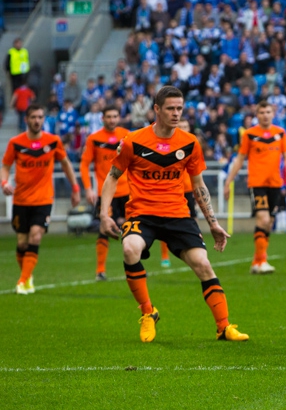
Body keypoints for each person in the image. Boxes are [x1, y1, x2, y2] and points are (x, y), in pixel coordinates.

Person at [98, 86, 249, 343]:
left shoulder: (190, 143)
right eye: (170, 108)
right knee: (130, 248)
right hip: (142, 214)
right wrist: (104, 214)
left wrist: (213, 223)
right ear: (156, 109)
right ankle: (148, 313)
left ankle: (224, 327)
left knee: (203, 264)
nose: (176, 113)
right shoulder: (133, 141)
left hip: (178, 215)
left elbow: (199, 186)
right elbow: (112, 177)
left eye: (179, 108)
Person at [2, 105, 81, 294]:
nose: (37, 120)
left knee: (36, 235)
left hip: (44, 199)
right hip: (21, 199)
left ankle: (22, 281)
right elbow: (5, 165)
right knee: (22, 243)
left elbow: (66, 164)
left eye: (40, 117)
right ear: (26, 119)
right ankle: (27, 276)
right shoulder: (16, 142)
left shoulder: (53, 141)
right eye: (33, 117)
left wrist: (75, 188)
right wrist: (4, 182)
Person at [224, 101, 286, 274]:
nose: (265, 115)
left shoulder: (280, 133)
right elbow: (239, 159)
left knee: (269, 222)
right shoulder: (249, 134)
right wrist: (228, 182)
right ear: (257, 115)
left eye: (268, 112)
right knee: (262, 220)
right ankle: (262, 261)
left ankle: (256, 262)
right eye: (262, 112)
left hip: (275, 183)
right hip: (257, 183)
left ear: (273, 114)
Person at [80, 106, 131, 281]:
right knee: (104, 230)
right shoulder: (93, 139)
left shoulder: (126, 135)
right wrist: (88, 188)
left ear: (119, 117)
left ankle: (134, 267)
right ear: (102, 118)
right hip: (106, 193)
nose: (112, 119)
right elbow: (84, 164)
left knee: (133, 230)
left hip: (127, 191)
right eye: (109, 116)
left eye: (115, 116)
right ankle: (100, 270)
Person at [160, 119, 199, 268]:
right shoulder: (169, 145)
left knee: (192, 220)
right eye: (180, 126)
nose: (182, 129)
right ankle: (165, 256)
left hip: (188, 190)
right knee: (164, 222)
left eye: (185, 126)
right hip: (172, 190)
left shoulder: (193, 145)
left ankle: (196, 250)